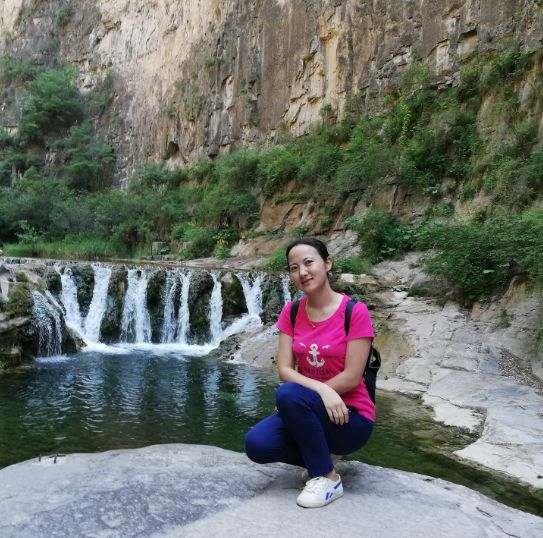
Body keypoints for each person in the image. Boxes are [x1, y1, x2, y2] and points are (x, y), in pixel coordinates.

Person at [245, 237, 375, 508]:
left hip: (349, 417)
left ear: (327, 263)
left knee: (290, 393)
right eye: (294, 268)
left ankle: (327, 477)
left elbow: (353, 376)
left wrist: (317, 394)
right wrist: (321, 391)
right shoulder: (291, 312)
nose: (302, 272)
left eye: (308, 262)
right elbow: (283, 369)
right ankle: (322, 458)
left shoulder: (355, 312)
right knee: (257, 444)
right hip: (307, 406)